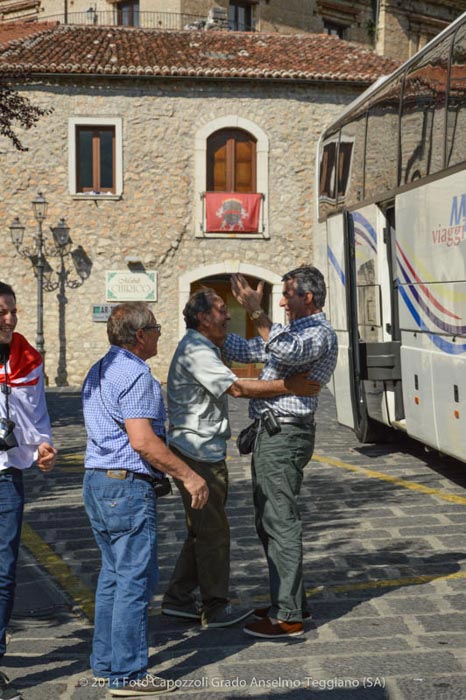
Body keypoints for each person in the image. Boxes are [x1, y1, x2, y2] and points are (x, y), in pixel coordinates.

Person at [161, 288, 319, 629]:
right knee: (214, 532)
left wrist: (257, 314)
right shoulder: (197, 350)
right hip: (197, 451)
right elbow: (237, 388)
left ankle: (178, 598)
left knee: (201, 529)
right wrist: (289, 385)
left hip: (202, 447)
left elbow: (259, 348)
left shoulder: (208, 345)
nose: (226, 315)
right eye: (220, 309)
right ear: (203, 318)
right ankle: (215, 607)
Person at [81, 302, 209, 698]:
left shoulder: (100, 368)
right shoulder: (135, 375)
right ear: (139, 335)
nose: (159, 333)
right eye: (154, 327)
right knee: (134, 581)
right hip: (125, 487)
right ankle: (129, 674)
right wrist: (189, 476)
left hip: (97, 482)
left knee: (113, 577)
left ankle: (105, 664)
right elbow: (142, 441)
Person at [223, 266, 338, 639]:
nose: (283, 301)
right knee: (268, 520)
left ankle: (287, 615)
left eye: (287, 294)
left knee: (279, 521)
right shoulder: (290, 330)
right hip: (272, 434)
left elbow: (283, 350)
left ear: (308, 297)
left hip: (285, 435)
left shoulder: (319, 334)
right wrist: (209, 326)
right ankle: (289, 600)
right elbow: (253, 349)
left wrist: (256, 311)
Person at [0, 282, 57, 700]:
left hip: (7, 477)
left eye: (13, 311)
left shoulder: (27, 359)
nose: (10, 318)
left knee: (2, 571)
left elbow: (36, 413)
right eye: (2, 311)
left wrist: (43, 445)